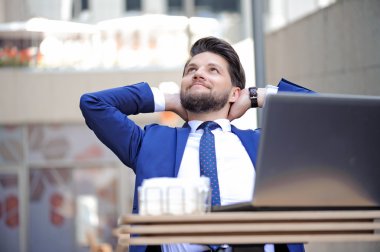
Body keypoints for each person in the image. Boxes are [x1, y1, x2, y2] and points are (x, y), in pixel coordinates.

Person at [80, 37, 314, 252]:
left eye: (213, 70)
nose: (198, 74)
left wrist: (257, 96)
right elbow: (93, 104)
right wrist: (166, 100)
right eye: (192, 70)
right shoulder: (150, 143)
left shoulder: (264, 143)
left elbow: (326, 115)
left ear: (235, 93)